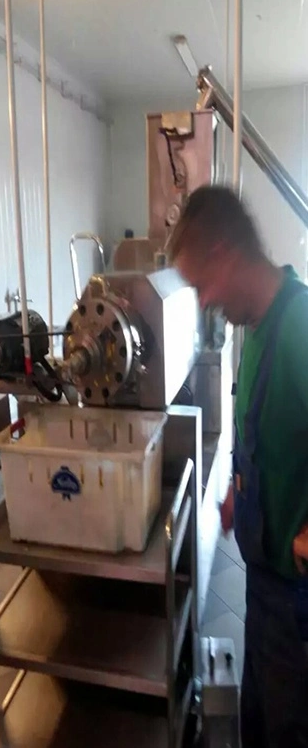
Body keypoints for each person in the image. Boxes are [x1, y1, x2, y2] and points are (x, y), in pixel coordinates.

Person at [168, 184, 308, 748]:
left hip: (297, 606)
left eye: (201, 284)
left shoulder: (299, 328)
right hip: (266, 585)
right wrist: (241, 491)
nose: (201, 302)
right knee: (260, 719)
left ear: (226, 254)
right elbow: (268, 434)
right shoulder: (257, 327)